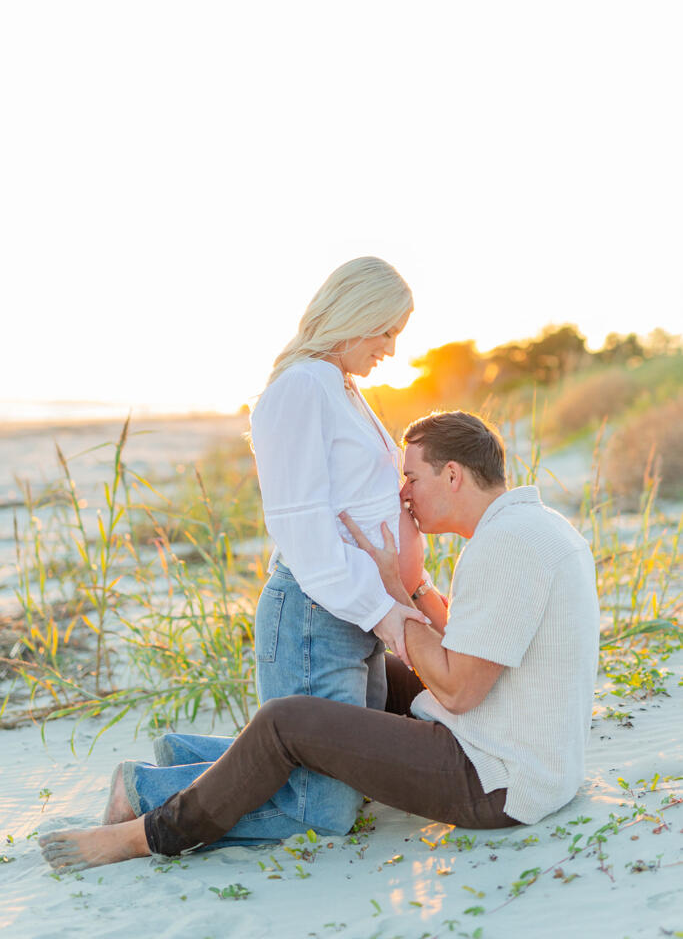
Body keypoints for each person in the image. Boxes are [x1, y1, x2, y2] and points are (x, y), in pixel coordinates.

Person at [40, 410, 600, 870]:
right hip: (526, 749)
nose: (403, 494)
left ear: (452, 475)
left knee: (287, 722)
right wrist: (414, 587)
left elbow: (458, 690)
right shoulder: (536, 526)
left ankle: (149, 830)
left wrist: (392, 599)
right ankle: (190, 760)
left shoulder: (503, 547)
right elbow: (472, 643)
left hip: (494, 780)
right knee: (372, 676)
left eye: (412, 477)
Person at [101, 256, 427, 845]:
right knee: (322, 810)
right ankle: (143, 789)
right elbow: (303, 531)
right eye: (386, 331)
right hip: (314, 617)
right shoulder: (301, 388)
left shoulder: (341, 386)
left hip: (351, 611)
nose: (392, 348)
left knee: (345, 774)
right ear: (355, 315)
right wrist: (385, 612)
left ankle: (186, 754)